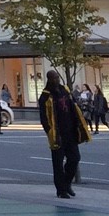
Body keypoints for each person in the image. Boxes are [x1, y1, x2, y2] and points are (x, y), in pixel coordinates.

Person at [39, 69, 89, 198]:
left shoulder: (64, 90)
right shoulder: (45, 96)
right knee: (58, 163)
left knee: (75, 158)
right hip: (57, 134)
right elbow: (44, 118)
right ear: (49, 80)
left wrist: (79, 124)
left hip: (70, 131)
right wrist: (50, 132)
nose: (57, 80)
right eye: (54, 78)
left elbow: (73, 107)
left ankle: (67, 183)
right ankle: (61, 190)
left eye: (57, 78)